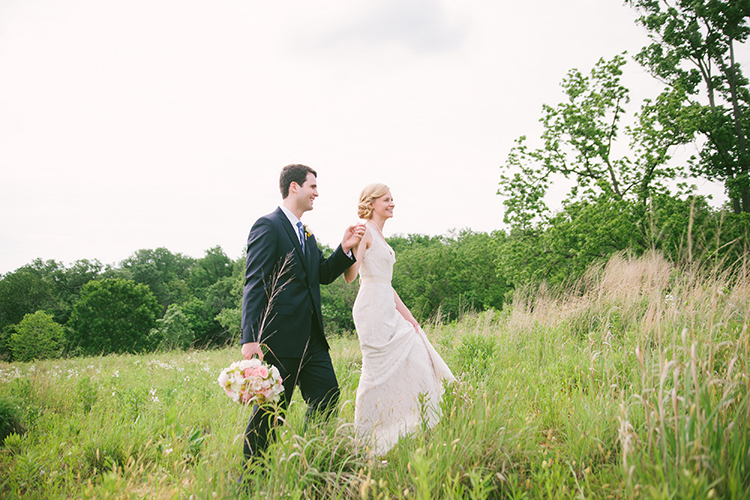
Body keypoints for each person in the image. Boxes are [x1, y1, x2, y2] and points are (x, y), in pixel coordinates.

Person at [240, 164, 365, 469]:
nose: (317, 193)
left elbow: (321, 274)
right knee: (270, 414)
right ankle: (252, 480)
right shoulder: (268, 226)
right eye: (312, 187)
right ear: (294, 187)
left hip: (313, 340)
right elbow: (254, 282)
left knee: (328, 396)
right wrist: (250, 338)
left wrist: (344, 248)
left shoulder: (306, 234)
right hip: (279, 339)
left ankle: (311, 460)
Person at [344, 183, 455, 456]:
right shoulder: (365, 231)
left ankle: (410, 423)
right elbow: (350, 276)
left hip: (387, 304)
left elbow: (388, 285)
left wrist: (410, 319)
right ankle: (366, 438)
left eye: (393, 199)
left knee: (418, 356)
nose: (392, 204)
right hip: (371, 308)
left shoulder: (381, 235)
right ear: (371, 203)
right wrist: (348, 246)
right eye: (386, 199)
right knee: (375, 373)